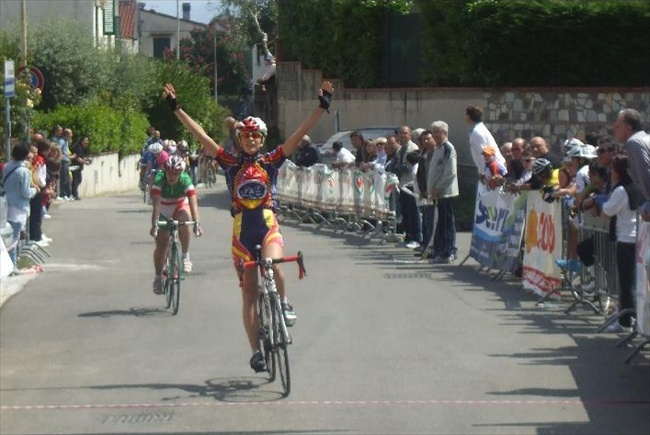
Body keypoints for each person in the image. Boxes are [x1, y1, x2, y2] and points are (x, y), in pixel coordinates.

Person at [162, 80, 334, 373]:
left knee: (272, 261)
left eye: (256, 136)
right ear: (239, 139)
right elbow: (200, 135)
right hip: (242, 231)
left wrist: (321, 107)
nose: (251, 140)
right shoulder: (229, 162)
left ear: (262, 139)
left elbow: (298, 134)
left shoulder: (271, 161)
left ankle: (284, 302)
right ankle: (256, 351)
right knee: (249, 295)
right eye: (246, 136)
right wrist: (177, 109)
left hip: (267, 223)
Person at [150, 155, 203, 294]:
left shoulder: (185, 179)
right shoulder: (159, 179)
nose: (172, 176)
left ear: (180, 173)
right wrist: (154, 224)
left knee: (185, 219)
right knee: (161, 246)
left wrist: (197, 222)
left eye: (176, 173)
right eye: (169, 172)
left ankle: (185, 256)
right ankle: (158, 276)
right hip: (163, 208)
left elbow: (192, 200)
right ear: (165, 171)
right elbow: (156, 204)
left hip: (180, 205)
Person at [600, 156, 642, 332]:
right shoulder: (640, 188)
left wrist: (602, 198)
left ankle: (626, 320)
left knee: (626, 284)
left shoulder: (620, 190)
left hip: (626, 240)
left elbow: (608, 210)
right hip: (639, 239)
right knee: (636, 283)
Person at [2, 143, 40, 271]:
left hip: (6, 205)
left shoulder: (7, 167)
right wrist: (35, 190)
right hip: (18, 208)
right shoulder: (24, 171)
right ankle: (12, 267)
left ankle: (10, 265)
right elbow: (25, 192)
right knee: (14, 239)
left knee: (7, 237)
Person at [427, 121, 459, 263]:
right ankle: (440, 250)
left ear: (445, 133)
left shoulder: (448, 148)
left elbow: (450, 173)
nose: (435, 135)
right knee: (440, 223)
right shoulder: (438, 148)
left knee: (446, 223)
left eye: (438, 132)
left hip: (445, 192)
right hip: (437, 194)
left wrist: (438, 187)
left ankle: (448, 251)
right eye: (433, 132)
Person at [612, 108, 650, 221]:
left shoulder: (633, 143)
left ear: (628, 128)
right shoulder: (646, 138)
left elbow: (645, 177)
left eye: (618, 126)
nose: (614, 129)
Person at [465, 105, 506, 173]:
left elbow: (484, 154)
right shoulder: (479, 129)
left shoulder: (477, 132)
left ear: (469, 116)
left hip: (493, 171)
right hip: (492, 169)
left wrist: (484, 173)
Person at [70, 136, 92, 200]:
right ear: (82, 141)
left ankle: (74, 193)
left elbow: (81, 157)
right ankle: (74, 194)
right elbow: (77, 158)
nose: (87, 142)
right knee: (76, 180)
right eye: (85, 140)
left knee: (78, 180)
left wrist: (85, 160)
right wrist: (85, 162)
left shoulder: (81, 147)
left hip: (78, 166)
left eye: (87, 141)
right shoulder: (78, 147)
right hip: (75, 166)